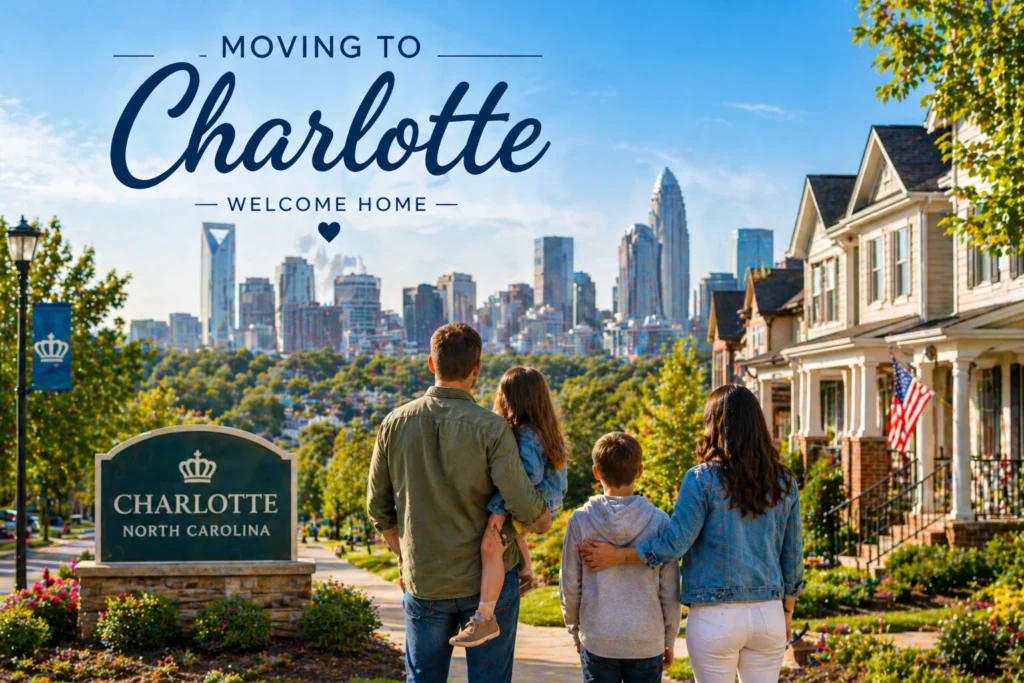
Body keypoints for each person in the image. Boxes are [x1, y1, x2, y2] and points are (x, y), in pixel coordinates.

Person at [366, 322, 553, 683]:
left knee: (423, 678)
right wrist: (542, 519)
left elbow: (377, 507)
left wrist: (403, 554)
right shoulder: (492, 428)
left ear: (431, 364)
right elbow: (522, 501)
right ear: (477, 369)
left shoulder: (393, 423)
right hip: (487, 582)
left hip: (426, 579)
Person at [580, 384, 803, 683]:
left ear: (713, 425)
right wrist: (787, 611)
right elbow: (793, 556)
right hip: (769, 614)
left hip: (715, 617)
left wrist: (619, 555)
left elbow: (674, 544)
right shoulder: (784, 481)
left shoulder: (702, 478)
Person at [450, 366, 570, 648]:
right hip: (545, 502)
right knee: (512, 535)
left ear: (511, 399)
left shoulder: (527, 435)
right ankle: (526, 573)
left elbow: (527, 478)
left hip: (533, 502)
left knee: (490, 547)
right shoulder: (543, 429)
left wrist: (498, 509)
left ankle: (484, 618)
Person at [561, 432, 680, 683]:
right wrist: (669, 639)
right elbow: (670, 588)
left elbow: (570, 585)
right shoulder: (659, 522)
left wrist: (575, 632)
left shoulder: (581, 520)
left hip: (598, 639)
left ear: (596, 472)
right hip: (646, 640)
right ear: (640, 471)